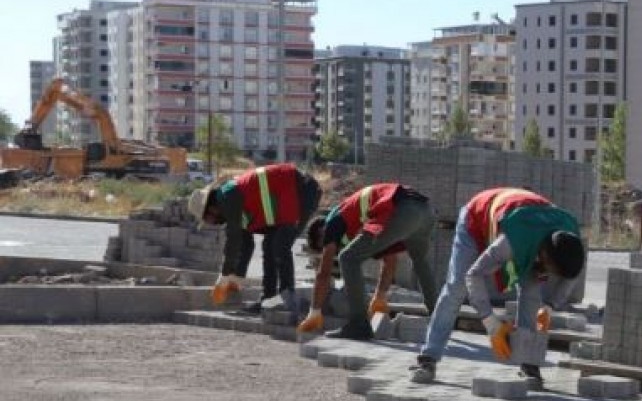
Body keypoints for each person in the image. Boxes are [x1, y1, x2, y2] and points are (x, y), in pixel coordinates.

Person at [408, 187, 586, 385]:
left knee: (532, 294)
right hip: (476, 218)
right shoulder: (512, 241)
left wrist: (550, 306)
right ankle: (428, 359)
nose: (551, 276)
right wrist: (491, 322)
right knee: (457, 287)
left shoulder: (570, 240)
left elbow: (572, 277)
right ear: (544, 255)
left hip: (527, 221)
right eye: (551, 270)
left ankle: (529, 366)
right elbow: (473, 275)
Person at [298, 183, 441, 341]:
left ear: (321, 233)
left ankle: (359, 325)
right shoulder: (358, 215)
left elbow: (323, 274)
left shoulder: (334, 222)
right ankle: (440, 321)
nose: (330, 249)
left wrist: (314, 312)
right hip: (426, 211)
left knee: (347, 258)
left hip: (403, 210)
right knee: (420, 263)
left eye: (324, 245)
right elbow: (390, 259)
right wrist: (380, 295)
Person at [189, 163, 322, 315]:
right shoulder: (234, 204)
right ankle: (268, 300)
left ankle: (288, 299)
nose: (212, 224)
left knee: (279, 246)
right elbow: (245, 246)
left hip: (303, 191)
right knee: (269, 246)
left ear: (211, 209)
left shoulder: (228, 196)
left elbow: (234, 239)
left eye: (208, 220)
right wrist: (235, 278)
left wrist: (225, 276)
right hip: (288, 200)